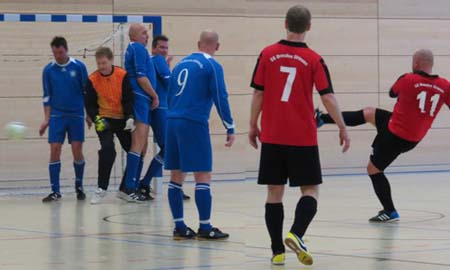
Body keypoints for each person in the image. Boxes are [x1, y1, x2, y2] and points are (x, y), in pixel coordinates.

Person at [249, 5, 350, 266]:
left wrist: (252, 124)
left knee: (274, 193)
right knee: (310, 190)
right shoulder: (315, 59)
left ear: (285, 23)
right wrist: (341, 125)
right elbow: (327, 96)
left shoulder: (267, 54)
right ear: (309, 26)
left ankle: (277, 252)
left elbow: (258, 93)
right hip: (302, 137)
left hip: (272, 135)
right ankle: (297, 233)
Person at [317, 49, 450, 223]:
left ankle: (390, 211)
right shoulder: (445, 86)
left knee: (373, 169)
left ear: (416, 63)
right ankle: (321, 119)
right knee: (369, 113)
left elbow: (392, 93)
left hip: (395, 135)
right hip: (410, 134)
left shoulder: (408, 79)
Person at [165, 30, 235, 240]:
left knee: (176, 176)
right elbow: (220, 96)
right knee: (202, 174)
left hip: (172, 120)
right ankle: (205, 227)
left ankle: (179, 227)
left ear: (198, 44)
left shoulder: (180, 65)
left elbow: (169, 94)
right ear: (217, 47)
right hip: (193, 122)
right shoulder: (212, 65)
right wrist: (229, 126)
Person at [138, 35, 191, 201]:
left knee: (170, 149)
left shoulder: (156, 62)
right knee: (169, 148)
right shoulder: (157, 60)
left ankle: (167, 185)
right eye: (161, 47)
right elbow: (171, 85)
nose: (164, 50)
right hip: (161, 110)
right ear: (153, 48)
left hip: (162, 110)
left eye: (166, 48)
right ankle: (147, 183)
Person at [39, 36, 89, 202]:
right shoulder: (48, 70)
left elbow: (86, 92)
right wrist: (46, 119)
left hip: (76, 115)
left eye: (60, 52)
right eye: (55, 53)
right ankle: (55, 191)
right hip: (57, 116)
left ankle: (79, 186)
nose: (58, 56)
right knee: (54, 149)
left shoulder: (79, 67)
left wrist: (88, 114)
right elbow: (47, 96)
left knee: (77, 150)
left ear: (66, 50)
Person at [84, 47, 135, 204]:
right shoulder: (92, 79)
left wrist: (130, 117)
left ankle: (125, 188)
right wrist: (96, 118)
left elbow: (128, 98)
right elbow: (90, 104)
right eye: (98, 63)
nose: (101, 66)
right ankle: (101, 188)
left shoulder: (122, 75)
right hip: (103, 119)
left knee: (134, 152)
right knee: (108, 150)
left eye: (104, 63)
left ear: (111, 60)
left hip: (121, 119)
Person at [119, 23, 159, 203]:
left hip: (141, 99)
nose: (147, 36)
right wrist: (154, 95)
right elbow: (141, 77)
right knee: (138, 142)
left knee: (142, 146)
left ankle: (133, 185)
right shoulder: (138, 49)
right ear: (134, 35)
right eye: (144, 33)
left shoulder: (134, 49)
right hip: (140, 98)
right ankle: (128, 187)